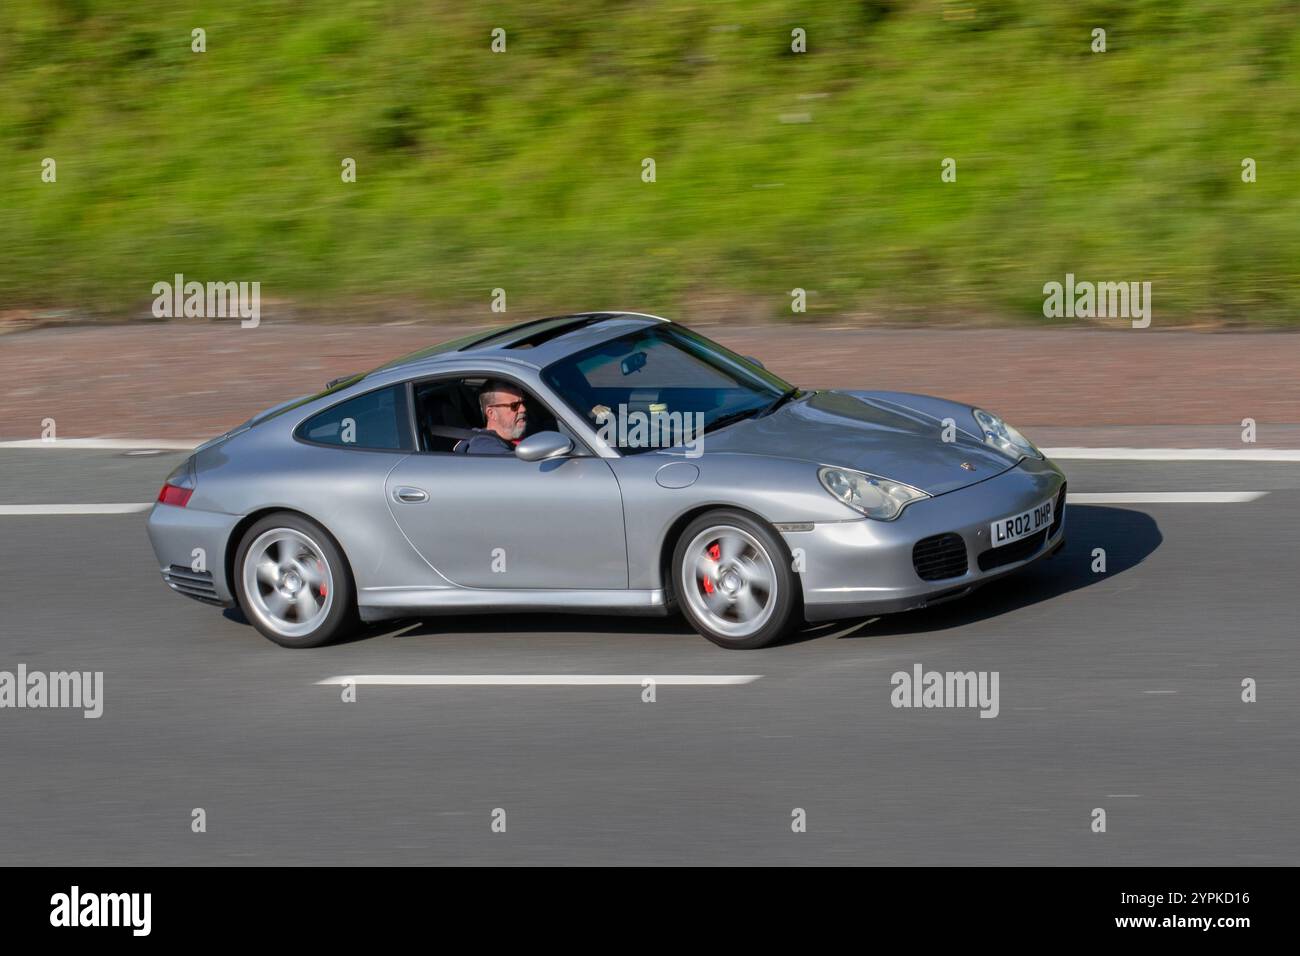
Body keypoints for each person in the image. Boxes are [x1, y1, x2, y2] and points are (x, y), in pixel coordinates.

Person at [456, 380, 529, 455]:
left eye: (523, 403)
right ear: (491, 413)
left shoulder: (527, 432)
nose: (523, 409)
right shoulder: (483, 447)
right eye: (514, 405)